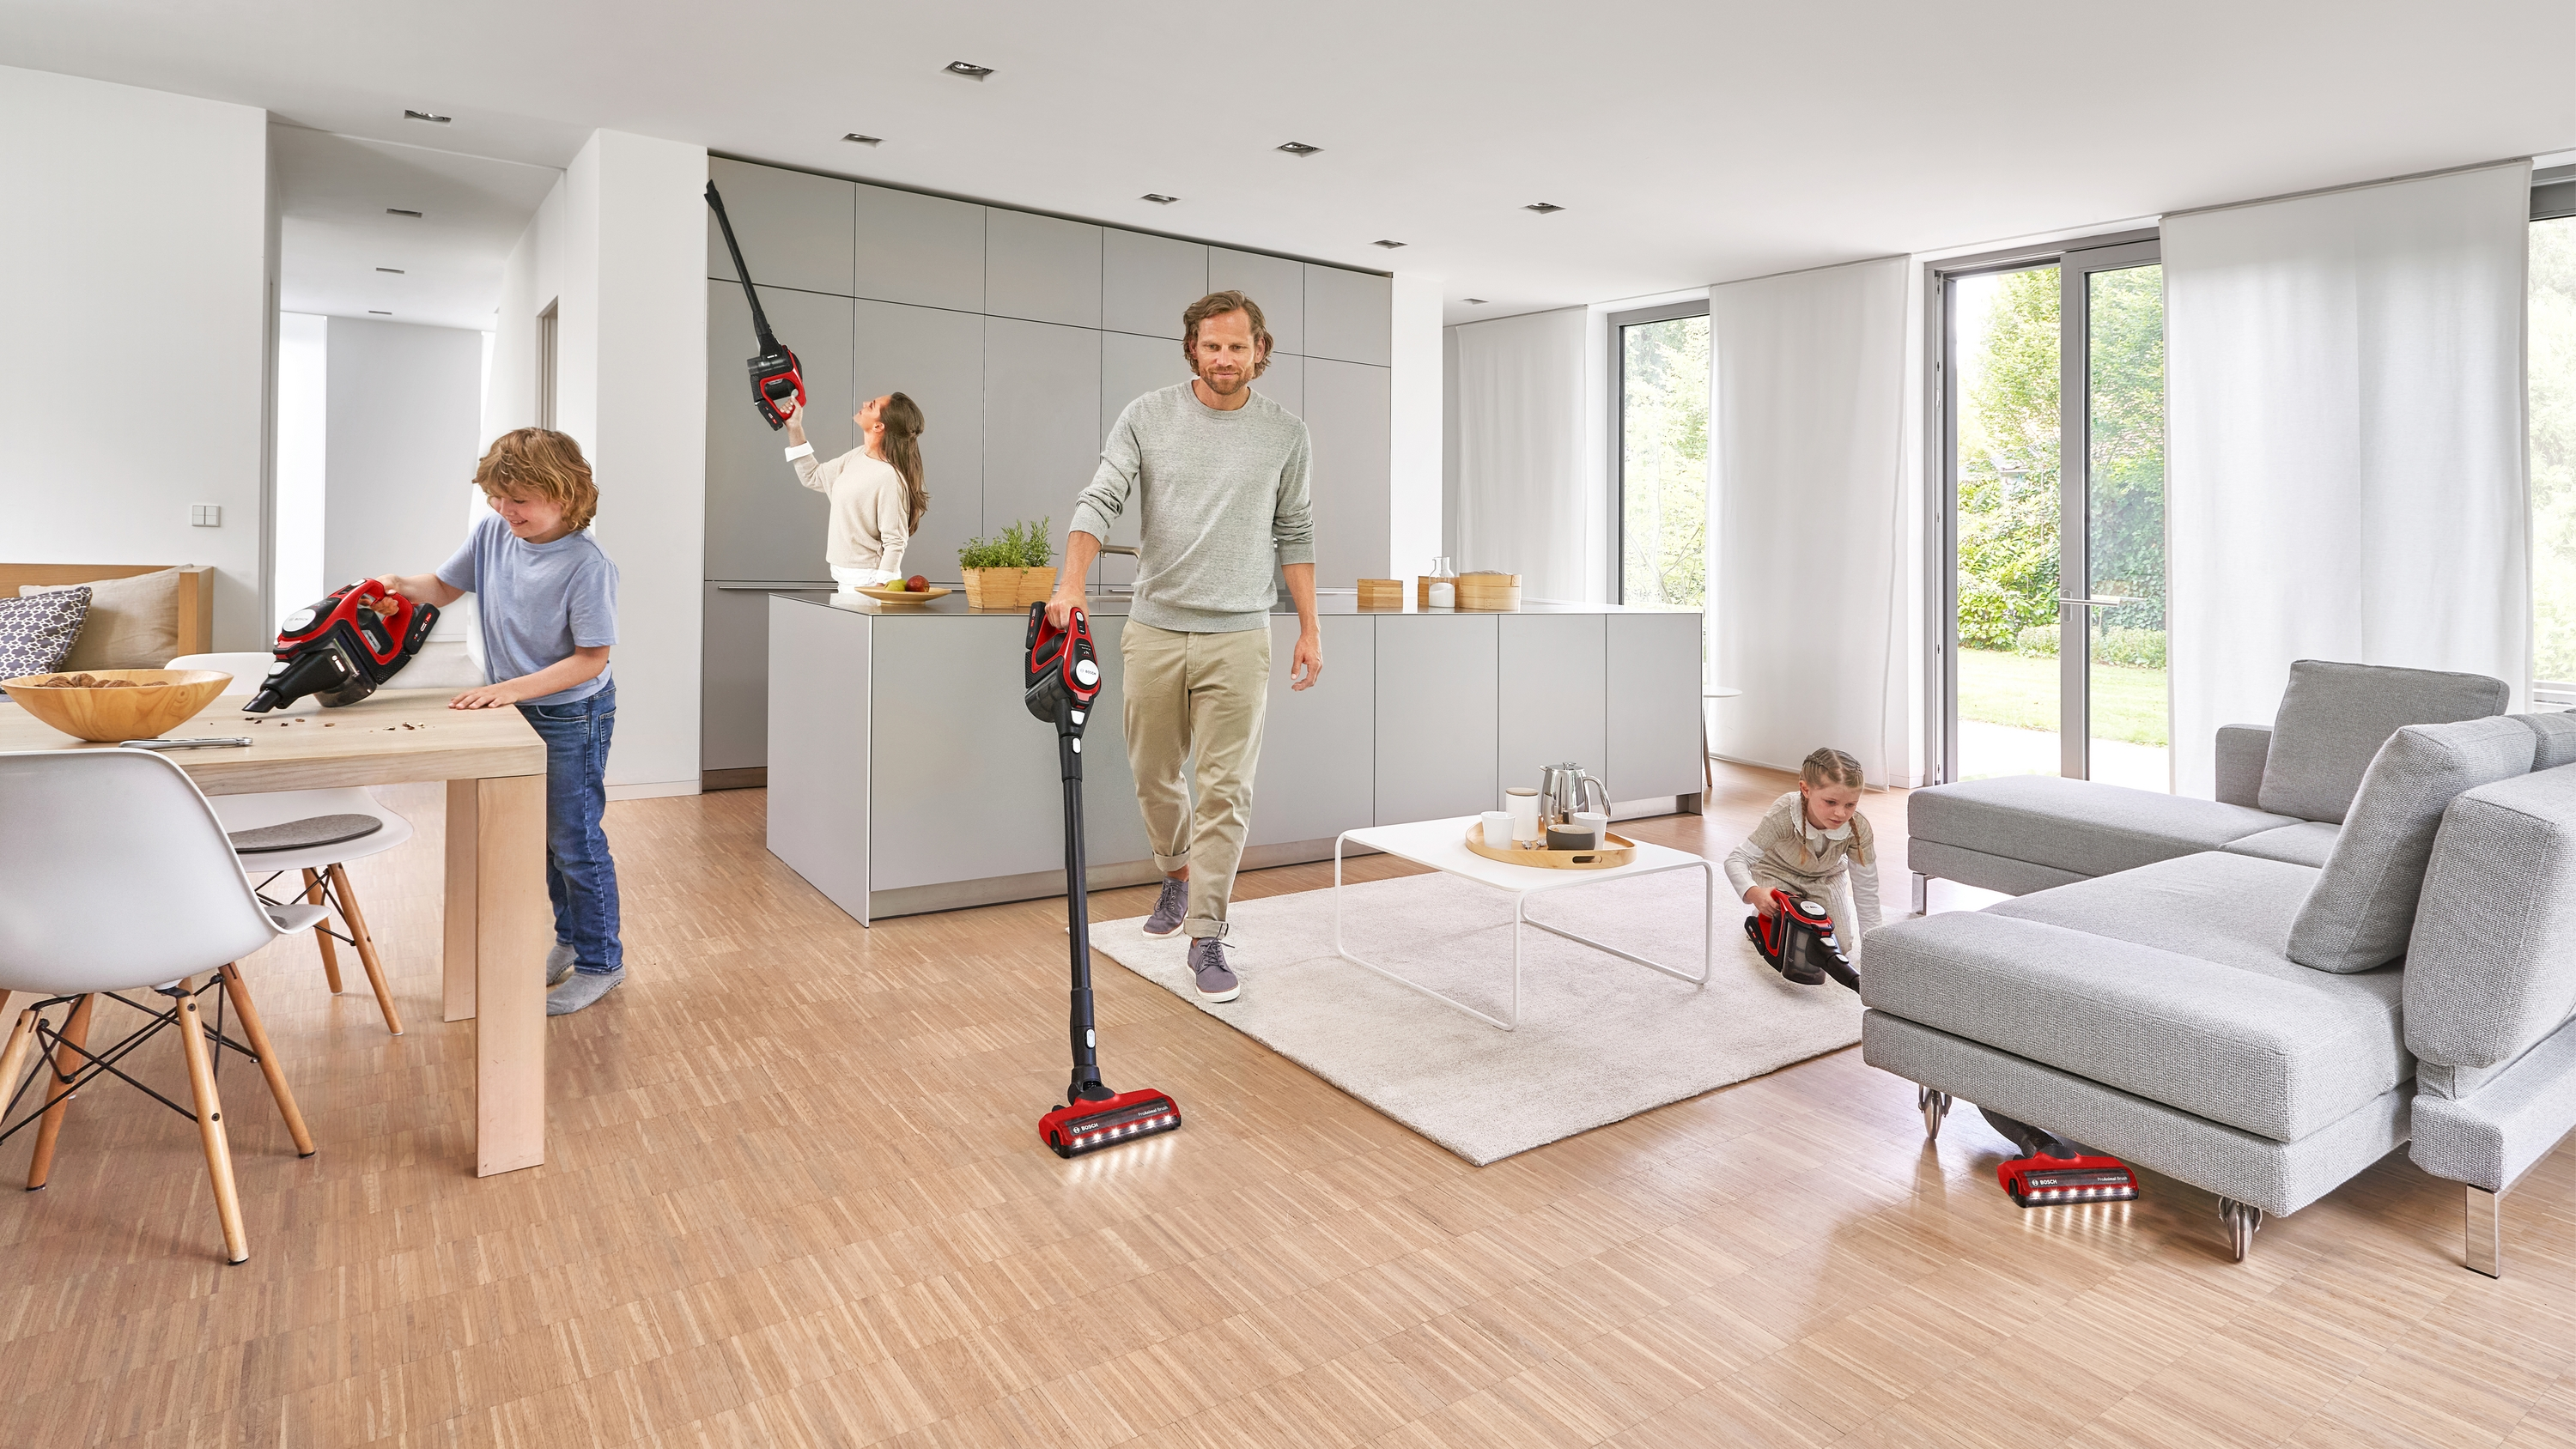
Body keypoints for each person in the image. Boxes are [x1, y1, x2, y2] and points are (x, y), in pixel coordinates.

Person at [1045, 289, 1320, 1004]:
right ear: (1193, 349)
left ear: (1260, 349)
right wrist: (1069, 583)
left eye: (1238, 345)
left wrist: (1311, 630)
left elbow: (1296, 533)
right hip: (1156, 627)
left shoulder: (1286, 434)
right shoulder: (1147, 416)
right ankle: (1174, 873)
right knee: (1154, 773)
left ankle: (1207, 933)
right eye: (1213, 345)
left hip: (1241, 634)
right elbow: (1099, 498)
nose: (1225, 358)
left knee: (1227, 788)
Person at [377, 427, 625, 1016]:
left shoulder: (587, 566)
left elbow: (591, 659)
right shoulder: (494, 533)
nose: (503, 509)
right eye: (496, 496)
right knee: (544, 840)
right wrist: (397, 589)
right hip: (520, 707)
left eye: (518, 499)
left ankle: (602, 963)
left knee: (576, 841)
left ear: (563, 495)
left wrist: (504, 690)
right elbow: (440, 587)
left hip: (572, 715)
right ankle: (570, 939)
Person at [1726, 747, 1881, 985]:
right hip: (1778, 871)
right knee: (1787, 935)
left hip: (1825, 877)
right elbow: (1736, 859)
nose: (1841, 813)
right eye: (1830, 802)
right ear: (1805, 789)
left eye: (1851, 804)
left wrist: (1876, 950)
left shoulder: (1858, 827)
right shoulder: (1784, 814)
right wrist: (1755, 893)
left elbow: (1867, 889)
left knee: (1841, 944)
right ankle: (1761, 918)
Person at [781, 391, 928, 591]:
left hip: (869, 582)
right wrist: (794, 427)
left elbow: (895, 540)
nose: (865, 403)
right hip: (845, 579)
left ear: (878, 426)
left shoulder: (888, 476)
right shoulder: (858, 456)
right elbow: (812, 476)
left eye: (873, 405)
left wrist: (881, 585)